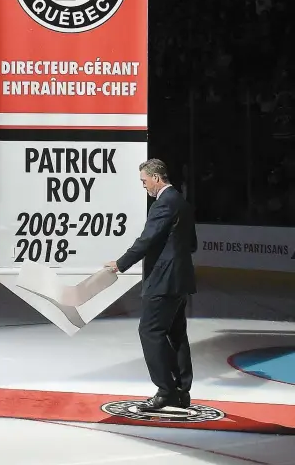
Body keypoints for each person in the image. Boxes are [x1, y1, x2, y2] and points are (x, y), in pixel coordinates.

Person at [105, 158, 197, 413]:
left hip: (164, 280)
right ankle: (181, 391)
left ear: (156, 178)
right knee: (176, 334)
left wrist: (121, 263)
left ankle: (166, 391)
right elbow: (191, 244)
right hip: (180, 280)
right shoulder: (181, 201)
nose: (144, 186)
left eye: (144, 181)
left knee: (150, 331)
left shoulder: (163, 204)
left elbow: (147, 240)